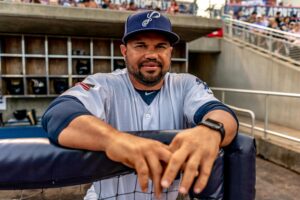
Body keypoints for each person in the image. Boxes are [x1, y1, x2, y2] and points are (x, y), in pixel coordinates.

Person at [42, 10, 238, 200]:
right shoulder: (105, 83)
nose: (151, 54)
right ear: (124, 51)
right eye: (141, 46)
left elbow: (222, 113)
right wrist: (114, 139)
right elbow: (58, 112)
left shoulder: (185, 84)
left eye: (160, 46)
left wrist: (210, 130)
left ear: (170, 52)